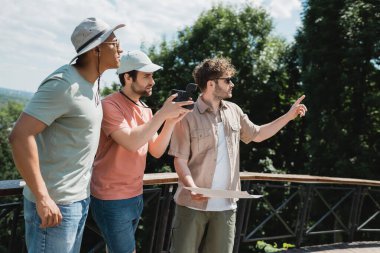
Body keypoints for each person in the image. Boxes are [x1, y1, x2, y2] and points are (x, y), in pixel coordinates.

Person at [8, 17, 125, 253]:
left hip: (78, 200)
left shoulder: (91, 84)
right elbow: (19, 136)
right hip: (55, 206)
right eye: (114, 43)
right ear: (95, 50)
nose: (120, 48)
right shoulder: (63, 84)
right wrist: (43, 198)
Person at [169, 57, 307, 253]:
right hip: (191, 207)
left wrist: (289, 116)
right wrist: (192, 188)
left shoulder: (234, 111)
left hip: (226, 208)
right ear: (211, 83)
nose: (232, 84)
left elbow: (257, 134)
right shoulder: (186, 115)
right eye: (227, 80)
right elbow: (180, 159)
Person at [90, 50, 193, 253]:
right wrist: (162, 114)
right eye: (146, 76)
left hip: (135, 196)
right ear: (128, 77)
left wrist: (170, 121)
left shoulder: (145, 110)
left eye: (152, 76)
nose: (152, 81)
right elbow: (131, 142)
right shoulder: (109, 105)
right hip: (110, 198)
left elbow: (155, 150)